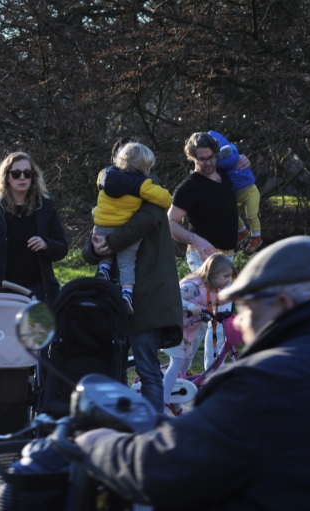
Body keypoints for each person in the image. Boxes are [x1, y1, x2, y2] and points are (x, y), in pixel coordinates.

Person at [76, 236, 310, 510]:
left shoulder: (261, 383)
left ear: (283, 304)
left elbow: (162, 471)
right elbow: (217, 436)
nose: (240, 322)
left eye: (246, 308)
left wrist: (96, 443)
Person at [82, 141, 183, 412]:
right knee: (110, 366)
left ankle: (149, 429)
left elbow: (145, 222)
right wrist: (96, 247)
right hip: (114, 294)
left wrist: (107, 244)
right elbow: (95, 238)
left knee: (147, 368)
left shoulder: (151, 190)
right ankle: (115, 425)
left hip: (147, 294)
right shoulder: (116, 189)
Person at [0, 152, 68, 304]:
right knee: (0, 329)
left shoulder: (45, 206)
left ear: (33, 177)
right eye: (16, 173)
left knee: (37, 329)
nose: (22, 178)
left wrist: (46, 244)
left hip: (38, 292)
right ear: (6, 177)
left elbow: (62, 247)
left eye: (27, 173)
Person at [93, 142, 172, 314]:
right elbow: (165, 200)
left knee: (103, 246)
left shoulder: (105, 174)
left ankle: (104, 268)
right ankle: (127, 293)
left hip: (102, 225)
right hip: (123, 227)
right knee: (126, 262)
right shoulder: (143, 184)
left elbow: (99, 182)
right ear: (145, 167)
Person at [163, 254, 236, 416]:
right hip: (175, 329)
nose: (227, 281)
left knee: (184, 367)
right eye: (225, 277)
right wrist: (189, 306)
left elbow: (223, 300)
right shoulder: (193, 286)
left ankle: (175, 404)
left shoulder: (214, 289)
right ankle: (163, 401)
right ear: (213, 273)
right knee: (177, 363)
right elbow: (174, 296)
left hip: (188, 333)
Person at [168, 132, 247, 272]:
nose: (208, 163)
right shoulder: (189, 187)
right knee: (210, 295)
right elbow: (170, 223)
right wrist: (195, 240)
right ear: (193, 158)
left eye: (211, 157)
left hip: (228, 255)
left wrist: (243, 159)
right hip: (204, 257)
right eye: (202, 159)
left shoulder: (224, 174)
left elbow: (237, 161)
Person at [209, 130, 263, 253]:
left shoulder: (229, 154)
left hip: (250, 191)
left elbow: (230, 158)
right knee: (230, 214)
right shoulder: (216, 162)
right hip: (236, 195)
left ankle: (256, 237)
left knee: (252, 215)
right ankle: (242, 231)